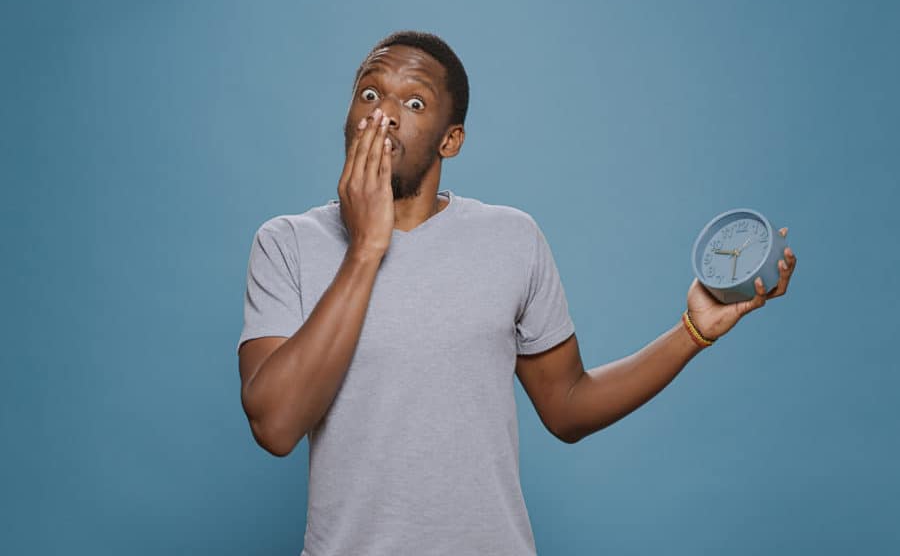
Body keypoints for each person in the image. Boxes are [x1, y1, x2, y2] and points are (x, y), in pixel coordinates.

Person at [236, 30, 797, 555]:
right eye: (369, 93)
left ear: (450, 141)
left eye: (413, 104)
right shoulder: (287, 243)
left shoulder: (511, 238)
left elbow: (568, 407)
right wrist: (365, 250)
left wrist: (692, 331)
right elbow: (276, 425)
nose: (382, 114)